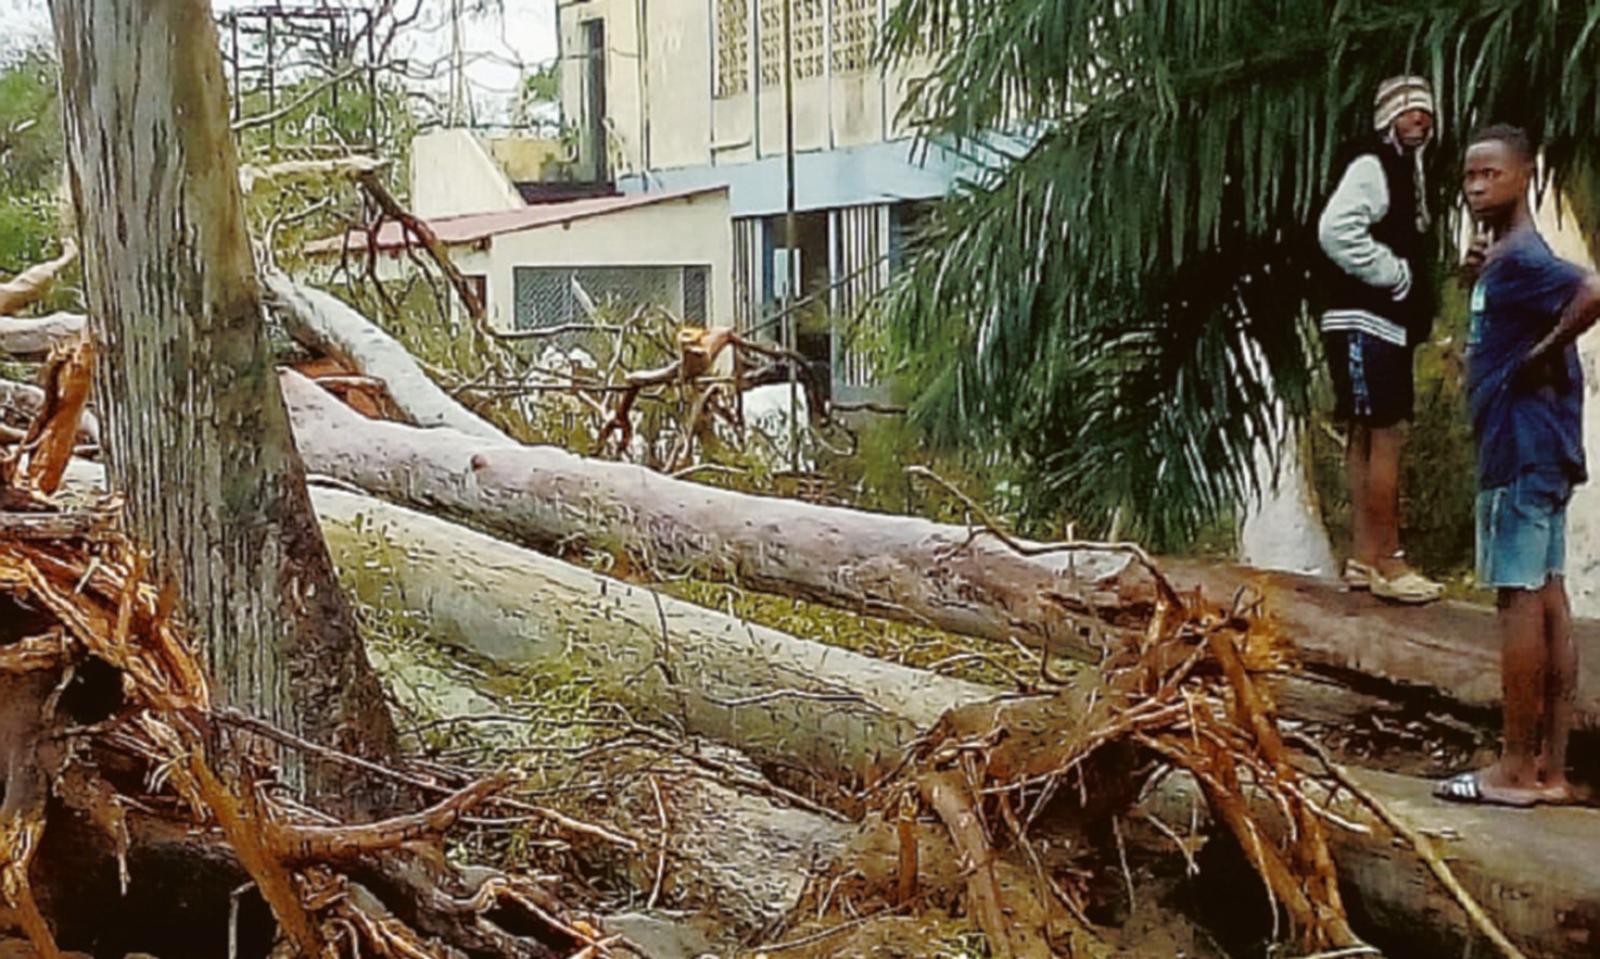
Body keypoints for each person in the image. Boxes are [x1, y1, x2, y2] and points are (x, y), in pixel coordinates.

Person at [1435, 125, 1600, 806]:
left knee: (1518, 599)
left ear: (1524, 175)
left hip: (1520, 446)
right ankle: (1549, 769)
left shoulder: (1527, 257)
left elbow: (1591, 289)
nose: (1477, 187)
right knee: (1548, 596)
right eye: (1470, 177)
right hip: (1541, 449)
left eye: (1491, 175)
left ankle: (1512, 767)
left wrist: (1540, 354)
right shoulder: (1502, 261)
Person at [1316, 75, 1444, 603]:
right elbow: (1335, 230)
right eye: (1408, 110)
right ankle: (1389, 562)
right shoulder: (1373, 164)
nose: (1419, 119)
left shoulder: (1405, 170)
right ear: (1386, 116)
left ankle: (1363, 558)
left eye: (1426, 112)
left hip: (1373, 324)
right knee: (1386, 432)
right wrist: (1395, 275)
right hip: (1363, 319)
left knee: (1367, 435)